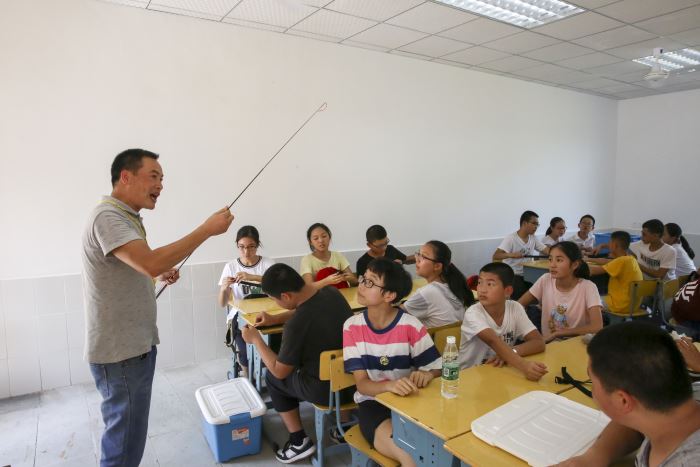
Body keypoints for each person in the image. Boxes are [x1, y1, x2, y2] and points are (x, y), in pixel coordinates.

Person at [82, 149, 233, 467]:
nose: (161, 185)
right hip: (121, 353)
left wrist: (157, 274)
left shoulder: (127, 218)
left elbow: (138, 266)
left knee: (130, 438)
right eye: (154, 176)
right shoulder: (107, 216)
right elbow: (148, 261)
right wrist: (206, 230)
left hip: (134, 347)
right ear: (126, 177)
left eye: (162, 178)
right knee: (124, 445)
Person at [241, 264, 353, 463]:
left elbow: (280, 371)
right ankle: (343, 426)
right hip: (354, 381)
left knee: (272, 377)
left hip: (325, 391)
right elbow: (306, 310)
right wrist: (275, 318)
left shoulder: (295, 326)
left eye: (274, 299)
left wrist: (256, 340)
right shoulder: (331, 293)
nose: (275, 302)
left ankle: (298, 441)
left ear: (285, 296)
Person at [554, 322, 700, 467]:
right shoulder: (678, 403)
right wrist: (595, 456)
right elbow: (635, 423)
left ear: (622, 401)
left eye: (592, 381)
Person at [343, 258, 442, 467]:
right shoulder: (352, 326)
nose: (361, 285)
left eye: (370, 282)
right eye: (363, 279)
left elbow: (436, 367)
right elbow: (362, 385)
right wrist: (389, 386)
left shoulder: (410, 325)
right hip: (373, 405)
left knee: (439, 452)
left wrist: (427, 374)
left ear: (389, 295)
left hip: (411, 403)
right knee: (411, 457)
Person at [459, 262, 547, 381]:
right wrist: (524, 366)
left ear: (507, 291)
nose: (482, 290)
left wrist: (510, 352)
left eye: (490, 284)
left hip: (500, 372)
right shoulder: (473, 313)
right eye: (479, 283)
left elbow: (538, 342)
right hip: (469, 376)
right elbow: (493, 341)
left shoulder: (515, 307)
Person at [217, 225, 275, 375]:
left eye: (251, 247)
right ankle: (247, 378)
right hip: (242, 317)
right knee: (244, 348)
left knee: (276, 342)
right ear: (237, 245)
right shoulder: (231, 266)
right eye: (241, 247)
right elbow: (222, 303)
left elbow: (279, 290)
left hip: (267, 314)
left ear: (258, 245)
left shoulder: (268, 264)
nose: (246, 252)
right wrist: (224, 288)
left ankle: (273, 374)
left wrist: (253, 277)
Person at [519, 241, 603, 342]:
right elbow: (519, 305)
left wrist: (558, 333)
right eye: (550, 259)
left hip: (575, 344)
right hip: (549, 344)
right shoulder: (545, 279)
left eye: (559, 260)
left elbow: (597, 326)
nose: (552, 265)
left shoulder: (588, 287)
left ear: (575, 265)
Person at [402, 240, 475, 328]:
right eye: (418, 254)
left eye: (423, 256)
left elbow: (393, 315)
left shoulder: (427, 292)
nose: (417, 259)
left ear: (437, 266)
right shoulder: (452, 285)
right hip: (452, 336)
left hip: (436, 337)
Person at [493, 210, 550, 299]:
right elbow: (496, 256)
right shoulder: (511, 238)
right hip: (514, 275)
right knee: (522, 293)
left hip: (528, 273)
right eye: (534, 223)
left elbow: (547, 250)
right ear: (524, 223)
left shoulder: (533, 238)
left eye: (537, 224)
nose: (536, 227)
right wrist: (511, 255)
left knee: (542, 290)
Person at [588, 231, 643, 315]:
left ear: (614, 245)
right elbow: (608, 262)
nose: (608, 245)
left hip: (620, 304)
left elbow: (592, 271)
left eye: (609, 242)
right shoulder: (630, 258)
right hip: (633, 305)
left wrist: (577, 264)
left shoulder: (622, 261)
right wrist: (588, 259)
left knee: (586, 301)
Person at [300, 222, 358, 289]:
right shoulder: (306, 260)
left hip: (342, 294)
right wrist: (326, 281)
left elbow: (354, 281)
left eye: (324, 236)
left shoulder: (337, 255)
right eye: (316, 238)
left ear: (329, 237)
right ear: (310, 242)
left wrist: (348, 278)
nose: (321, 240)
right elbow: (308, 287)